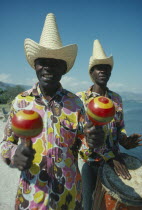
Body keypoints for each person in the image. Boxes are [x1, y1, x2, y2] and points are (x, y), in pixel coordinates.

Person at [0, 13, 86, 210]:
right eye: (43, 61)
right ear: (35, 65)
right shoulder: (21, 102)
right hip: (31, 198)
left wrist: (96, 142)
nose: (48, 66)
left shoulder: (76, 104)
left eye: (56, 61)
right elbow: (6, 142)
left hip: (69, 198)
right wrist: (14, 154)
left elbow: (87, 148)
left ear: (64, 67)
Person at [76, 39, 142, 210]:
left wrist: (124, 140)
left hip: (115, 162)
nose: (103, 71)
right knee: (88, 204)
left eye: (107, 68)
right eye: (99, 67)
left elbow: (119, 126)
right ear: (91, 72)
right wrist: (109, 157)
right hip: (92, 163)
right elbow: (84, 136)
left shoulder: (116, 99)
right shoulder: (81, 99)